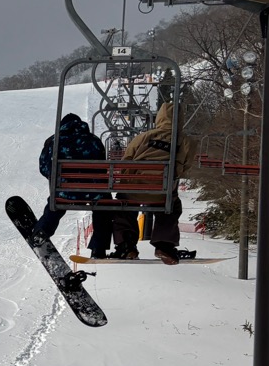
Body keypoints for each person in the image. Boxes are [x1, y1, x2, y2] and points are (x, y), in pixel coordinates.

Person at [110, 100, 195, 264]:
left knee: (123, 205)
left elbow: (127, 159)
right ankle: (164, 244)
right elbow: (185, 166)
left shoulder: (144, 137)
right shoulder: (186, 141)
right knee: (171, 206)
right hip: (162, 193)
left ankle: (126, 245)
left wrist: (129, 178)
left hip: (134, 189)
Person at [36, 113, 113, 259]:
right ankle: (99, 248)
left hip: (64, 191)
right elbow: (103, 167)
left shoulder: (54, 141)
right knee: (104, 207)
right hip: (94, 193)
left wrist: (57, 179)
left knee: (55, 204)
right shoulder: (94, 140)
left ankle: (42, 232)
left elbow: (44, 167)